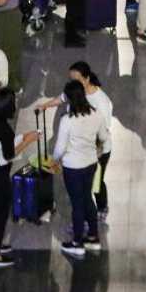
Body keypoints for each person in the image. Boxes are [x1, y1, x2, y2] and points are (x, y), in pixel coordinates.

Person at [0, 87, 40, 269]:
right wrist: (28, 141)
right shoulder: (4, 127)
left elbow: (1, 144)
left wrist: (22, 136)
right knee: (0, 213)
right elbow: (8, 154)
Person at [50, 78, 110, 258]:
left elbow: (60, 147)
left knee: (77, 205)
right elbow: (104, 136)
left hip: (72, 167)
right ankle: (93, 238)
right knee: (87, 200)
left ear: (69, 99)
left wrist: (54, 160)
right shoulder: (96, 114)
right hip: (90, 164)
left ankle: (77, 243)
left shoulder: (67, 120)